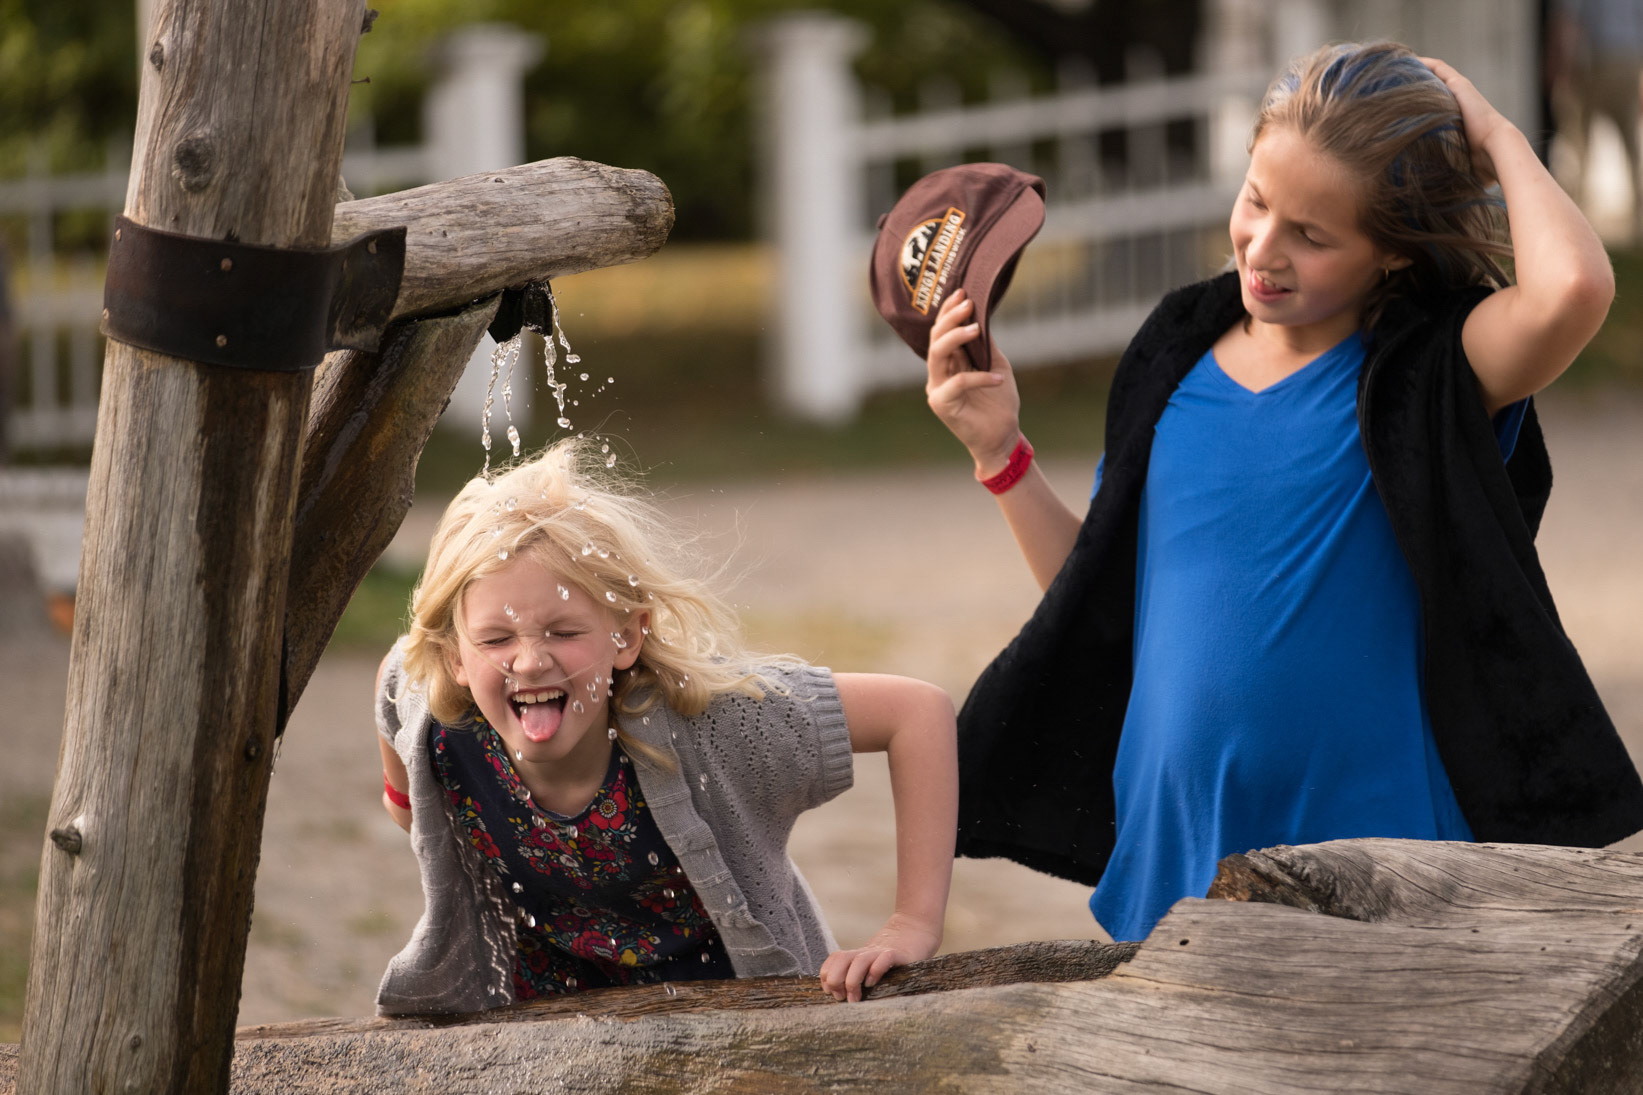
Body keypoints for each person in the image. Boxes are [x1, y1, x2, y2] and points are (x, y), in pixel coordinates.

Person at [919, 42, 1643, 943]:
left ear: (1391, 253)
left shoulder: (1428, 373)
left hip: (1380, 868)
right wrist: (1001, 454)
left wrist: (1493, 132)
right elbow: (1105, 597)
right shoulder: (1173, 353)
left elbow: (1572, 287)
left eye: (1312, 235)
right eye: (1255, 201)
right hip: (1178, 854)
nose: (1263, 250)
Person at [373, 438, 957, 1012]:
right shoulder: (437, 721)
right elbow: (396, 676)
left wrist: (912, 922)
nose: (528, 662)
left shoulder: (711, 720)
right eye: (496, 639)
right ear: (454, 655)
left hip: (742, 1018)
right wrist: (406, 796)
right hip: (550, 1028)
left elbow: (917, 712)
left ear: (627, 635)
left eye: (564, 631)